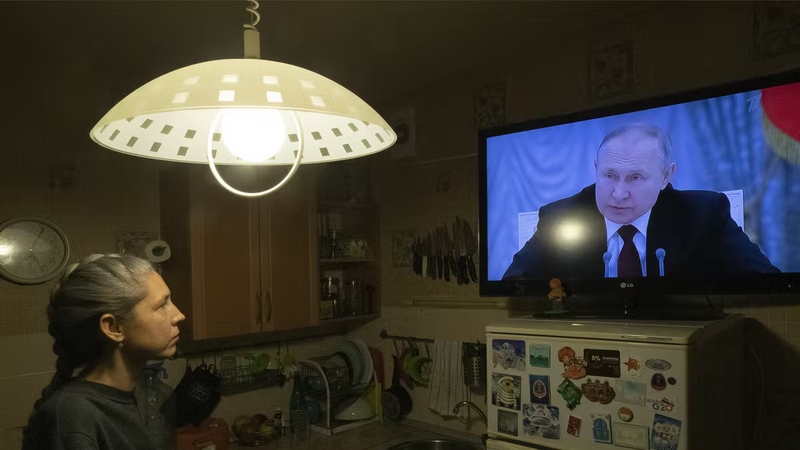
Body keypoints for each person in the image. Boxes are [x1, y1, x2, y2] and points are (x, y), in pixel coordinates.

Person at [503, 123, 780, 281]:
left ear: (665, 176)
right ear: (596, 168)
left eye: (636, 177)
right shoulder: (561, 217)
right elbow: (513, 285)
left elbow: (768, 281)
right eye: (609, 175)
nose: (619, 193)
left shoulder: (704, 214)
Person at [22, 254, 185, 450]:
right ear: (114, 328)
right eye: (162, 305)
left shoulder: (147, 394)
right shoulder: (71, 415)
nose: (179, 315)